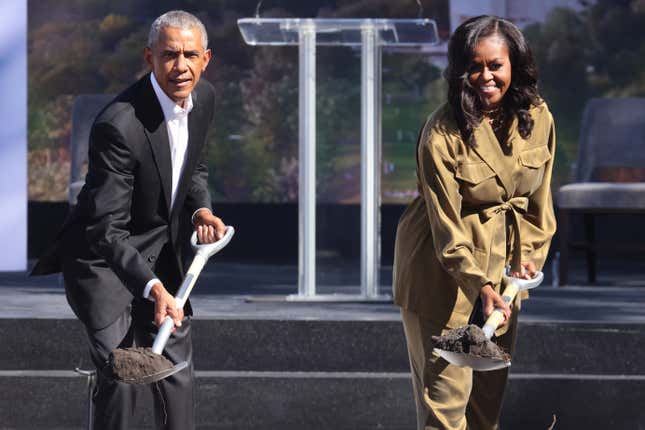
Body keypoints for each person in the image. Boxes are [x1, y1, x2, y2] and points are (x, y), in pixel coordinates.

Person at [31, 10, 225, 430]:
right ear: (149, 57)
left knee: (175, 374)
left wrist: (200, 209)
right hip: (101, 262)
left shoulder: (204, 97)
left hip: (161, 253)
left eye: (190, 55)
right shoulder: (118, 125)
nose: (181, 67)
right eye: (169, 55)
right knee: (122, 376)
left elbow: (193, 165)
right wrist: (153, 289)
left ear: (206, 58)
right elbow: (105, 229)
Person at [392, 15, 556, 430]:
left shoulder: (538, 118)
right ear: (459, 70)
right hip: (442, 279)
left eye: (495, 65)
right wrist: (480, 286)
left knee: (486, 409)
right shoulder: (441, 133)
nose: (486, 76)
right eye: (475, 65)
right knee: (445, 412)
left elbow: (539, 203)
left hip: (504, 280)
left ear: (514, 66)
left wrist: (529, 260)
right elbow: (446, 227)